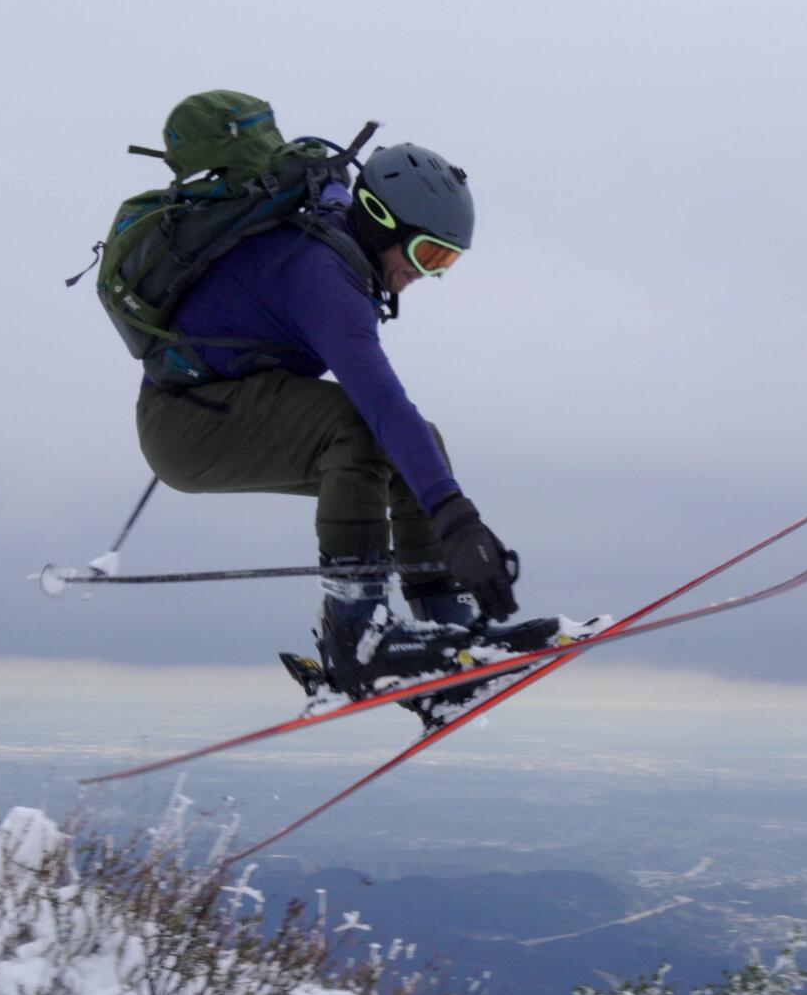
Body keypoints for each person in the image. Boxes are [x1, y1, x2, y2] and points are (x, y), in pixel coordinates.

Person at [133, 142, 563, 726]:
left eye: (448, 263)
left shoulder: (339, 234)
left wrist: (449, 522)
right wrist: (457, 520)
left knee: (419, 443)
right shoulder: (321, 276)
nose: (428, 275)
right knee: (362, 432)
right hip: (187, 425)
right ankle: (357, 640)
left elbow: (401, 425)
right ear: (384, 222)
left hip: (223, 404)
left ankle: (449, 640)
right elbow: (381, 402)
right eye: (428, 253)